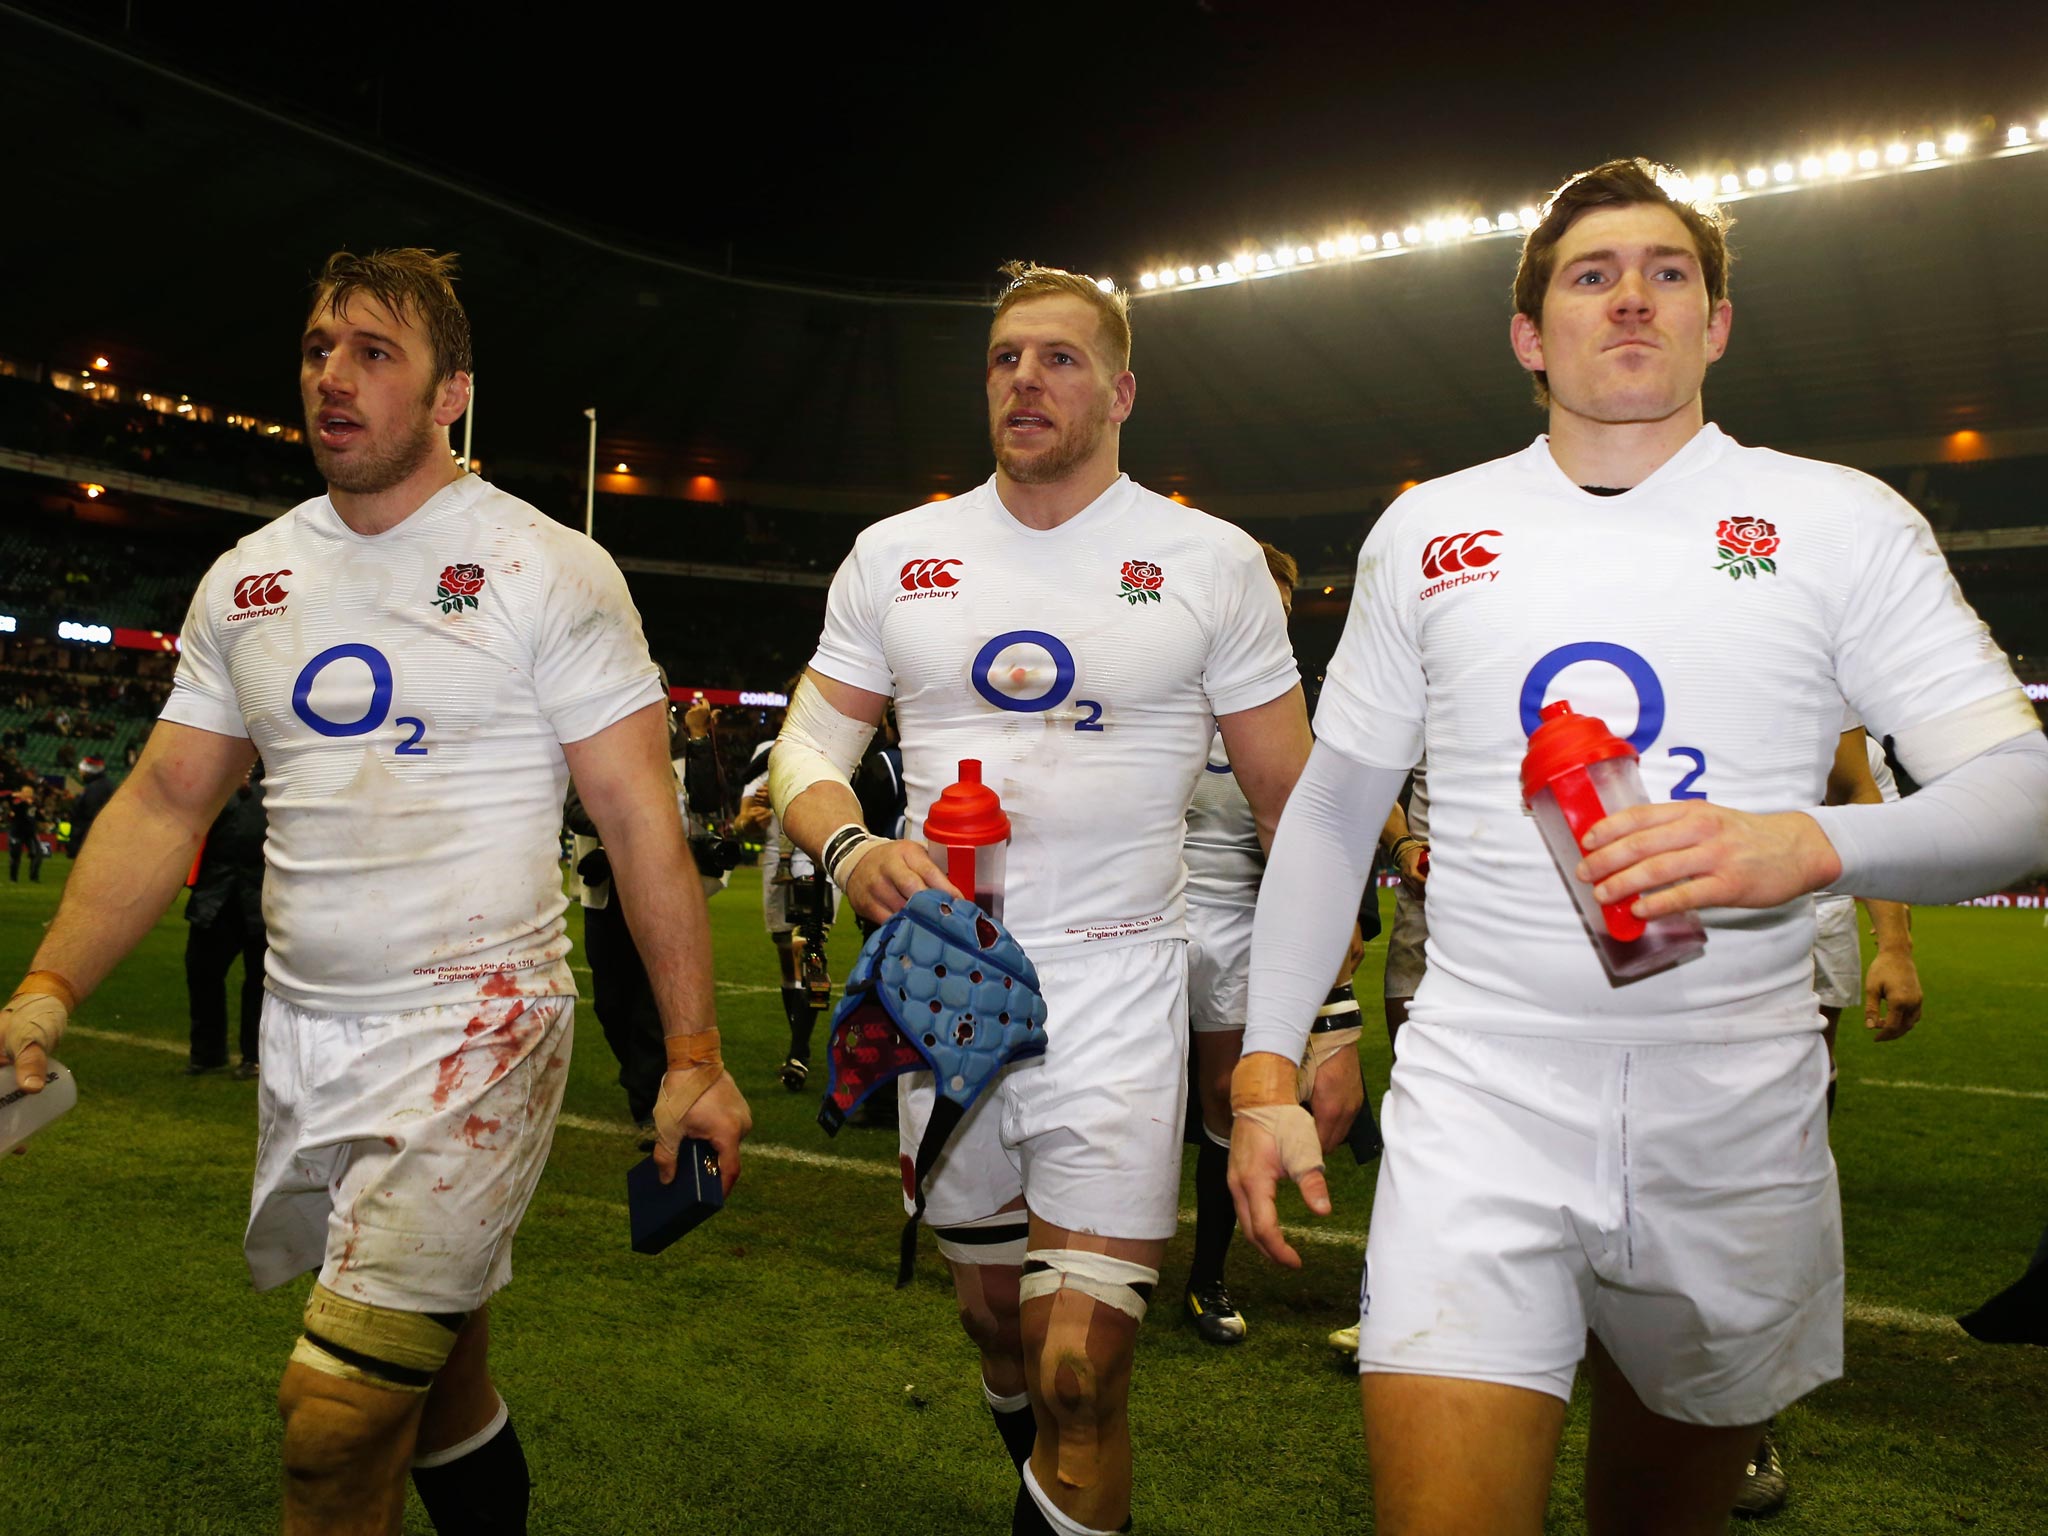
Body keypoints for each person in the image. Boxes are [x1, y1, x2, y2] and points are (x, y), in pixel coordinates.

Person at [1227, 158, 2048, 1536]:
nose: (1630, 299)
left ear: (1717, 324)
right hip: (1483, 1093)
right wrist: (1264, 1061)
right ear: (1528, 335)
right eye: (1590, 275)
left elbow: (2022, 790)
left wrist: (1808, 844)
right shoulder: (1430, 530)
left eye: (1669, 273)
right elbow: (1329, 801)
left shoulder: (1839, 522)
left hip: (1733, 1107)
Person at [0, 247, 751, 1536]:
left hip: (477, 1027)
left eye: (372, 352)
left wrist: (690, 1053)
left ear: (451, 391)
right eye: (315, 350)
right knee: (439, 1380)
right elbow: (169, 800)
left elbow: (638, 822)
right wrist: (46, 990)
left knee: (334, 1421)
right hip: (306, 1029)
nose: (330, 378)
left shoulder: (547, 567)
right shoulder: (248, 578)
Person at [770, 261, 1317, 1536]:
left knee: (1079, 1365)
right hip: (942, 980)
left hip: (1121, 980)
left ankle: (1068, 1475)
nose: (1025, 378)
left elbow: (1300, 808)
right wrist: (850, 850)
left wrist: (1319, 1016)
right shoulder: (897, 555)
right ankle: (1042, 1465)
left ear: (1121, 389)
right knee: (993, 1330)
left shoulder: (1207, 562)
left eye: (1059, 358)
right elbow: (806, 750)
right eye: (1006, 357)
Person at [1180, 538, 1400, 1346]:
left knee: (1221, 1102)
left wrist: (1333, 1008)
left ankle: (1205, 1277)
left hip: (1244, 925)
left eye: (1279, 603)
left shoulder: (1293, 711)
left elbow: (1325, 838)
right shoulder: (1164, 688)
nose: (1265, 615)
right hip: (1145, 919)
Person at [1737, 717, 1923, 1513]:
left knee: (1774, 1148)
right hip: (1666, 912)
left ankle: (1747, 1411)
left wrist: (1897, 941)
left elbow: (1860, 795)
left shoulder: (1815, 649)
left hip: (1808, 913)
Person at [184, 761, 268, 1079]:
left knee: (260, 982)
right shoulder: (217, 782)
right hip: (218, 896)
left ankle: (254, 1055)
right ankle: (208, 1052)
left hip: (260, 897)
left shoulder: (281, 782)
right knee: (203, 973)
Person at [66, 754, 112, 856]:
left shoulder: (95, 788)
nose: (80, 773)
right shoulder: (103, 785)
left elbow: (90, 813)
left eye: (82, 770)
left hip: (89, 838)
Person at [7, 784, 43, 883]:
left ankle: (34, 877)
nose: (28, 795)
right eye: (26, 793)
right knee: (15, 856)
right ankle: (13, 878)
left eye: (29, 793)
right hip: (17, 833)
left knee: (37, 854)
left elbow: (39, 817)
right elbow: (15, 812)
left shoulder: (33, 805)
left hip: (30, 833)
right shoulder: (18, 803)